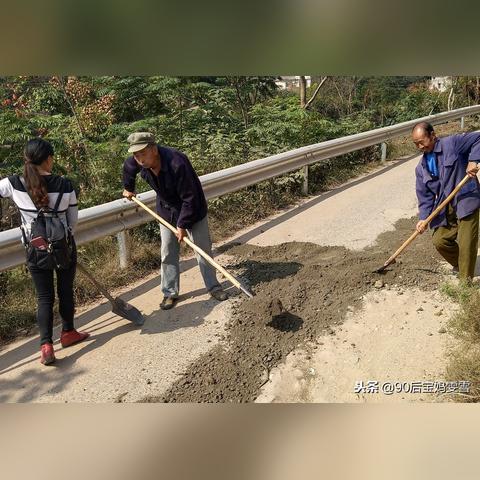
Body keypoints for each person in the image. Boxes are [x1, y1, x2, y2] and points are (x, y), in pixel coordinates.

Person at [0, 138, 89, 365]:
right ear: (48, 159)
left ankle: (46, 345)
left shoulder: (13, 184)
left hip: (35, 248)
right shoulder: (65, 185)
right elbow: (72, 221)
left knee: (44, 297)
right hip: (63, 246)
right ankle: (68, 332)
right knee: (65, 290)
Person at [122, 132, 228, 310]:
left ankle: (214, 287)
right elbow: (128, 167)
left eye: (142, 154)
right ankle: (170, 293)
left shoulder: (177, 163)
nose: (138, 159)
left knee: (202, 249)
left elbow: (190, 198)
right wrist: (128, 188)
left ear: (154, 149)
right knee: (168, 252)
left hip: (193, 209)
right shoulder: (137, 161)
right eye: (136, 155)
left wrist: (182, 225)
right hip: (167, 210)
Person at [413, 122, 480, 280]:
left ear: (433, 135)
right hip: (445, 203)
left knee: (466, 243)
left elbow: (478, 138)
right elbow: (425, 196)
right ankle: (462, 264)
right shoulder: (421, 168)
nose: (420, 146)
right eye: (416, 144)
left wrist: (473, 160)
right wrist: (423, 218)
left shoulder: (453, 144)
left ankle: (466, 282)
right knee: (440, 240)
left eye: (422, 141)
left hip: (466, 197)